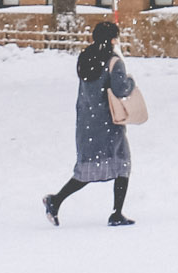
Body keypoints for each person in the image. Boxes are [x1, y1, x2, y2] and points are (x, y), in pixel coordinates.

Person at [42, 19, 137, 227]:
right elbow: (120, 89)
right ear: (113, 39)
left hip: (87, 121)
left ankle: (56, 200)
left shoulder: (85, 58)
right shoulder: (114, 61)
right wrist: (130, 81)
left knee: (87, 169)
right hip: (109, 122)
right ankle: (116, 213)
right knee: (122, 163)